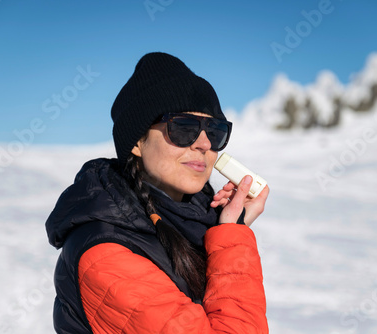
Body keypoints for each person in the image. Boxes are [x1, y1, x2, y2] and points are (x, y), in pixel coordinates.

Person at [45, 52, 270, 333]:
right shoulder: (107, 252)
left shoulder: (197, 220)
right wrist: (233, 240)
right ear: (137, 142)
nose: (203, 143)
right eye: (183, 127)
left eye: (215, 131)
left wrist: (228, 228)